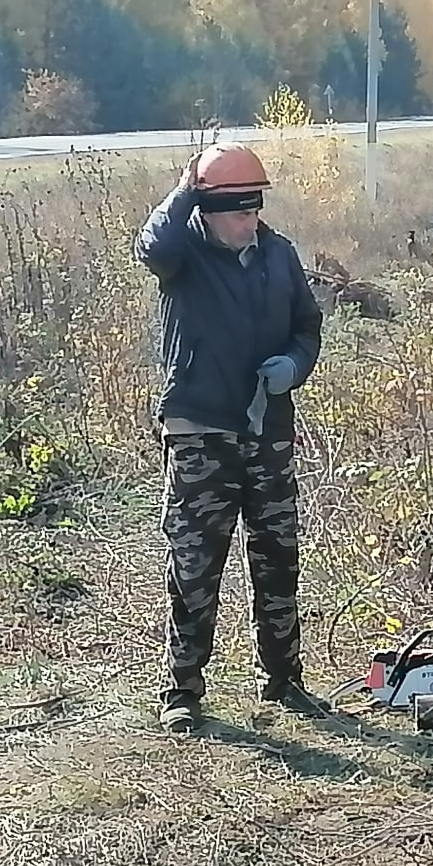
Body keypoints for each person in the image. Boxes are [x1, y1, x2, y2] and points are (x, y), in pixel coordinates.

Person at [133, 142, 329, 732]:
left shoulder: (279, 256)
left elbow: (307, 325)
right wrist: (190, 182)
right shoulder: (183, 255)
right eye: (237, 212)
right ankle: (184, 692)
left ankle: (283, 679)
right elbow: (152, 245)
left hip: (268, 430)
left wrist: (296, 365)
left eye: (255, 210)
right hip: (199, 429)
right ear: (207, 209)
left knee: (277, 558)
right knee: (195, 564)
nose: (249, 222)